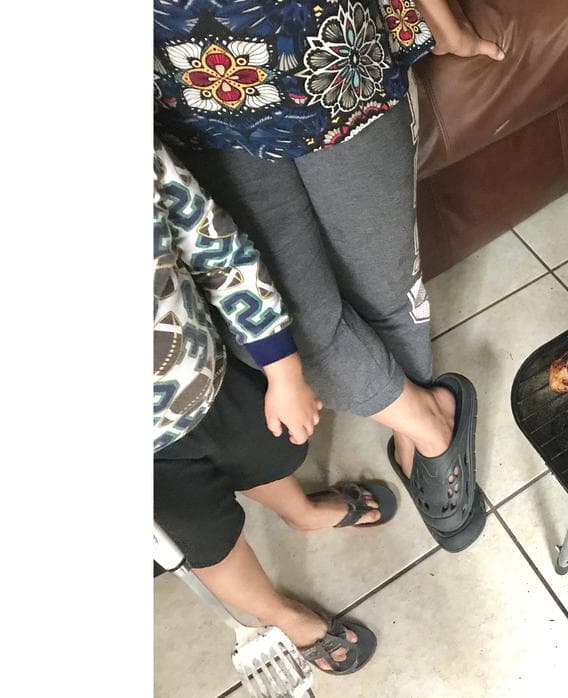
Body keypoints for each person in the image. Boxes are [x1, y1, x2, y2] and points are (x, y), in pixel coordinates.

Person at [153, 0, 505, 551]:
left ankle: (408, 428)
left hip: (339, 60)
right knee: (292, 327)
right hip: (192, 101)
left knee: (385, 284)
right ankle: (430, 421)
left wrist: (448, 25)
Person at [154, 138, 394, 674]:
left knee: (266, 453)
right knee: (207, 541)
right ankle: (280, 613)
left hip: (202, 376)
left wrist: (282, 367)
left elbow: (216, 250)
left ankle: (302, 512)